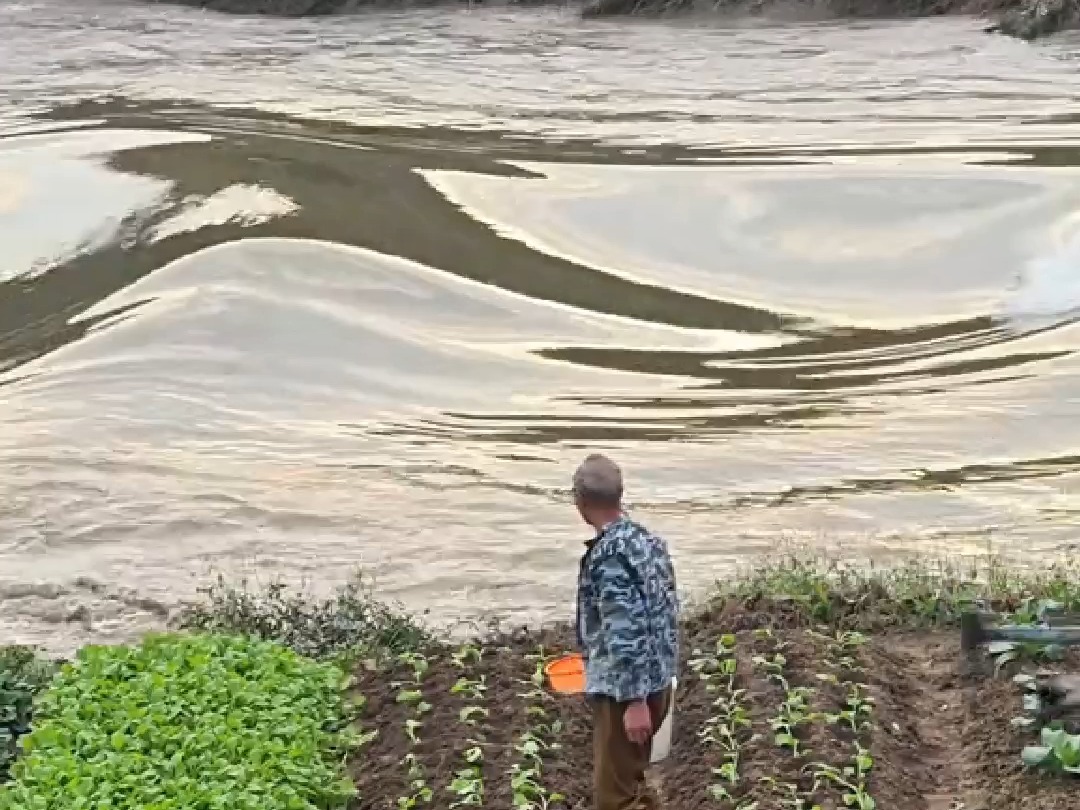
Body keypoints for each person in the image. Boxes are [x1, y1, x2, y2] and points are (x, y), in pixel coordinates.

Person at [572, 453, 679, 810]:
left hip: (627, 692)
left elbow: (625, 628)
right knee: (632, 782)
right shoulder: (646, 542)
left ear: (580, 501)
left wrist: (633, 702)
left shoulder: (610, 557)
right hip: (657, 682)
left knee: (614, 798)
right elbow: (662, 613)